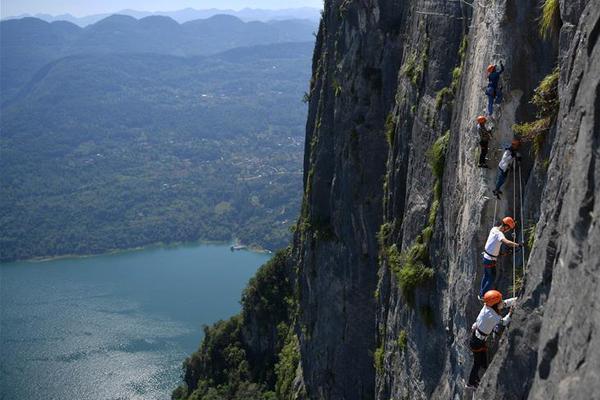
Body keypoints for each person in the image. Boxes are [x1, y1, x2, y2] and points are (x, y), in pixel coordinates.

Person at [466, 290, 517, 389]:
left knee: (481, 359)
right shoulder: (493, 316)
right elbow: (504, 322)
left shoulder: (487, 306)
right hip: (477, 341)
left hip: (477, 338)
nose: (502, 302)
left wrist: (514, 300)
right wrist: (510, 314)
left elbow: (503, 304)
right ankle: (471, 383)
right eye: (500, 301)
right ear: (495, 304)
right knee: (477, 362)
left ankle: (482, 370)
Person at [479, 217, 522, 298]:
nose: (508, 230)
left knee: (486, 275)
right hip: (490, 259)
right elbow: (506, 242)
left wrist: (500, 254)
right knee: (491, 278)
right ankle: (484, 296)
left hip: (486, 257)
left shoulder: (494, 229)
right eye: (508, 228)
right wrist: (518, 245)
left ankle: (482, 294)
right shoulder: (500, 234)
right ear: (506, 226)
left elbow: (492, 244)